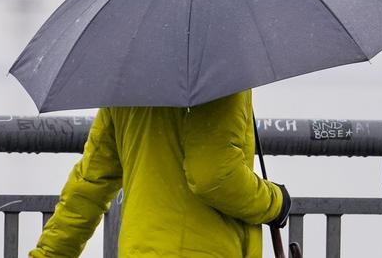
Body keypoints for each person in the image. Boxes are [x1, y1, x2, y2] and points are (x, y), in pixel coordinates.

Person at [29, 89, 291, 257]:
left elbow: (89, 185)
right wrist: (275, 202)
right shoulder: (219, 75)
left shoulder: (127, 80)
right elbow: (213, 177)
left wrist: (49, 254)